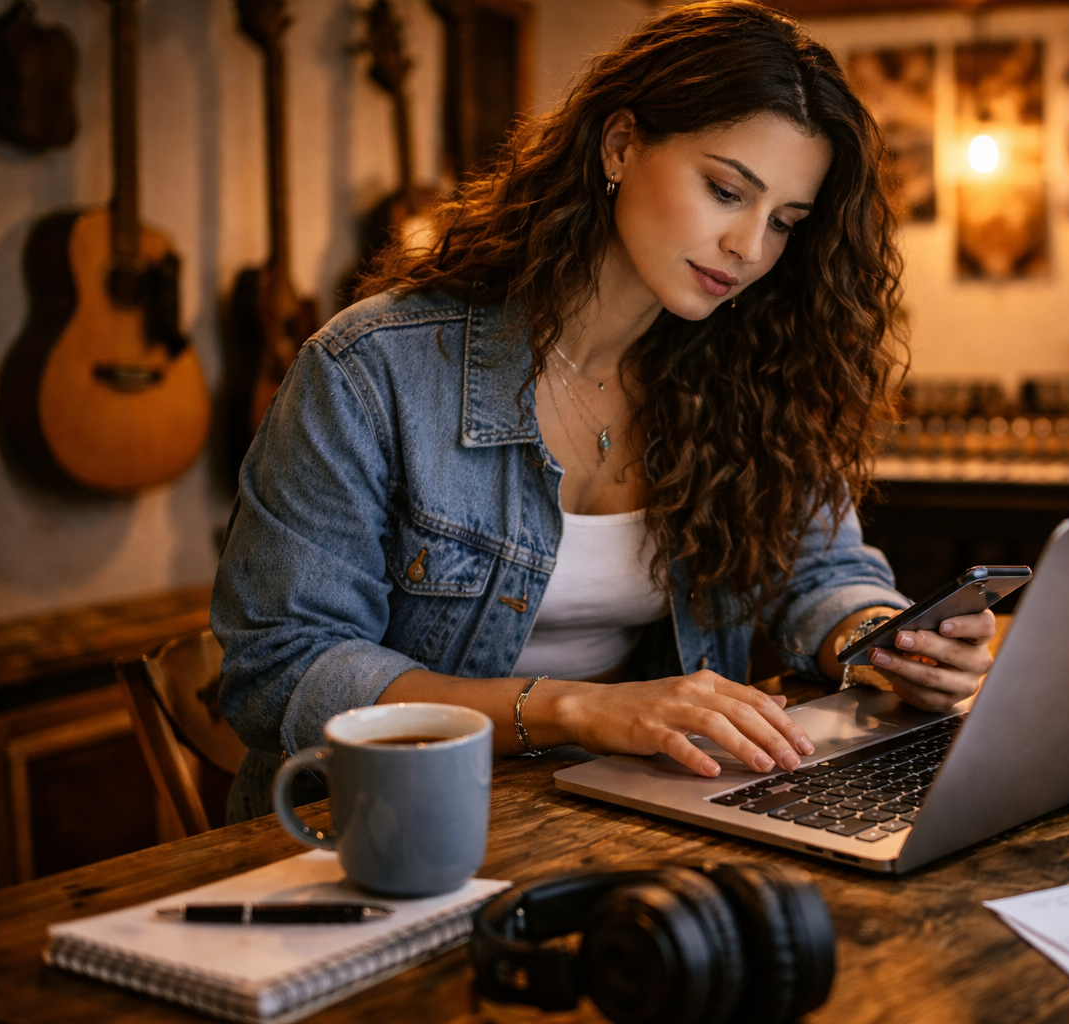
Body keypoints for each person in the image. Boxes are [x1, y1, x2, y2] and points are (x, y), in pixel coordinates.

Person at [213, 0, 994, 822]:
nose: (750, 248)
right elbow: (283, 669)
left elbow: (822, 572)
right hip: (379, 828)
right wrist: (575, 708)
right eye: (726, 190)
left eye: (784, 224)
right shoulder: (373, 370)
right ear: (620, 146)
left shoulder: (752, 371)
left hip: (623, 815)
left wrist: (884, 640)